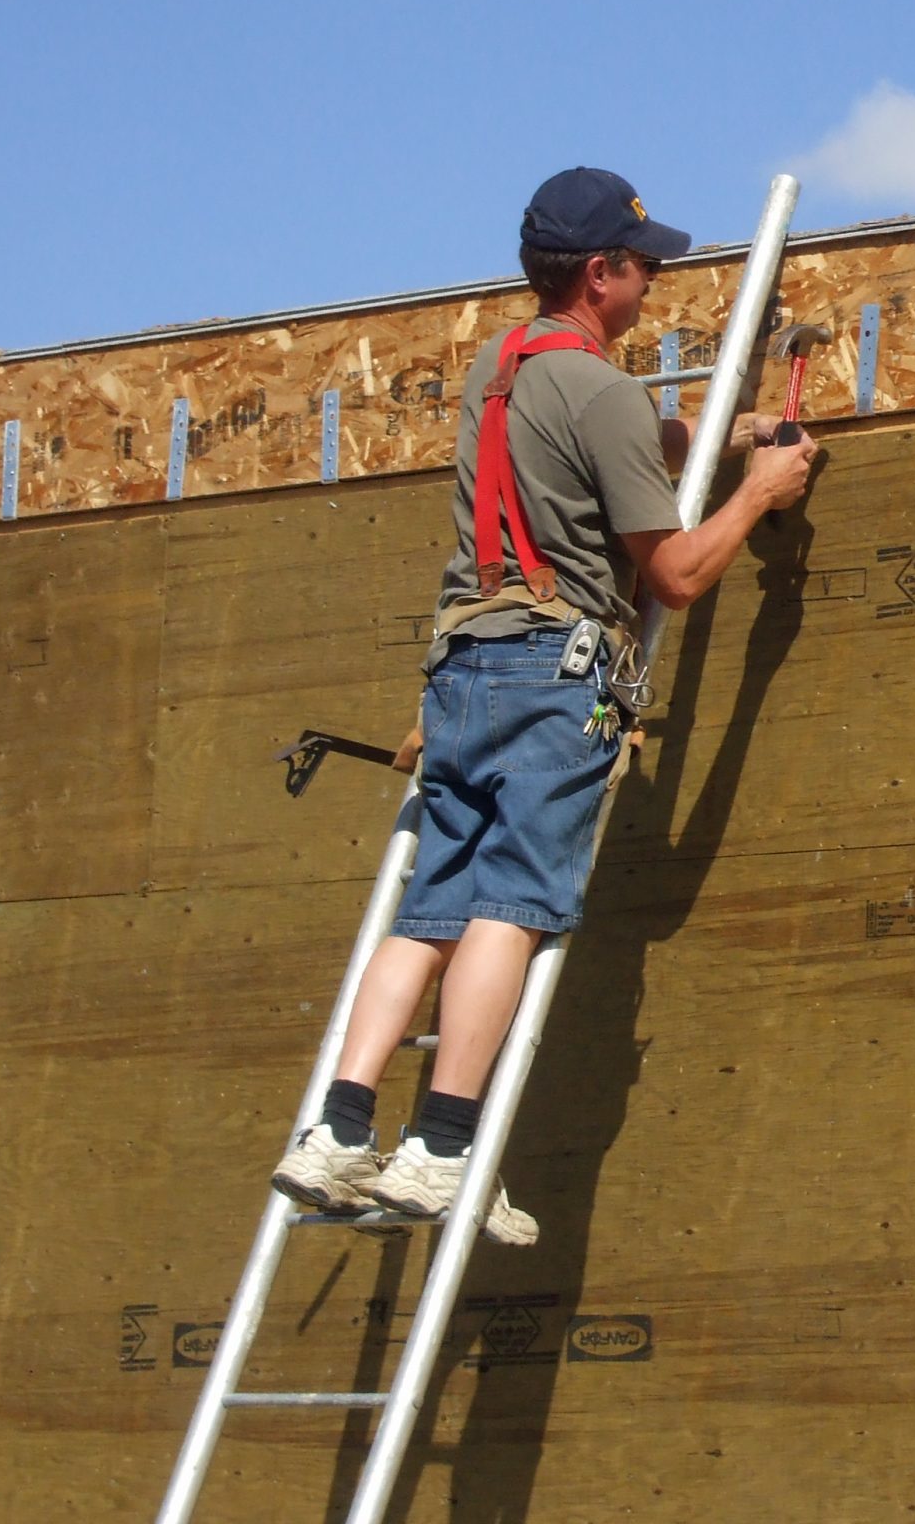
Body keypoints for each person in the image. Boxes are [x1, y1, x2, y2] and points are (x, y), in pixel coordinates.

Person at [271, 166, 818, 1243]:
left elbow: (607, 451)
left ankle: (337, 1131)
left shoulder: (502, 370)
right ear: (600, 271)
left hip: (462, 669)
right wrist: (758, 494)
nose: (653, 278)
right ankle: (439, 1147)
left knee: (426, 911)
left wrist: (729, 434)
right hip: (552, 676)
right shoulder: (604, 390)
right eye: (642, 262)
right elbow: (674, 576)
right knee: (510, 910)